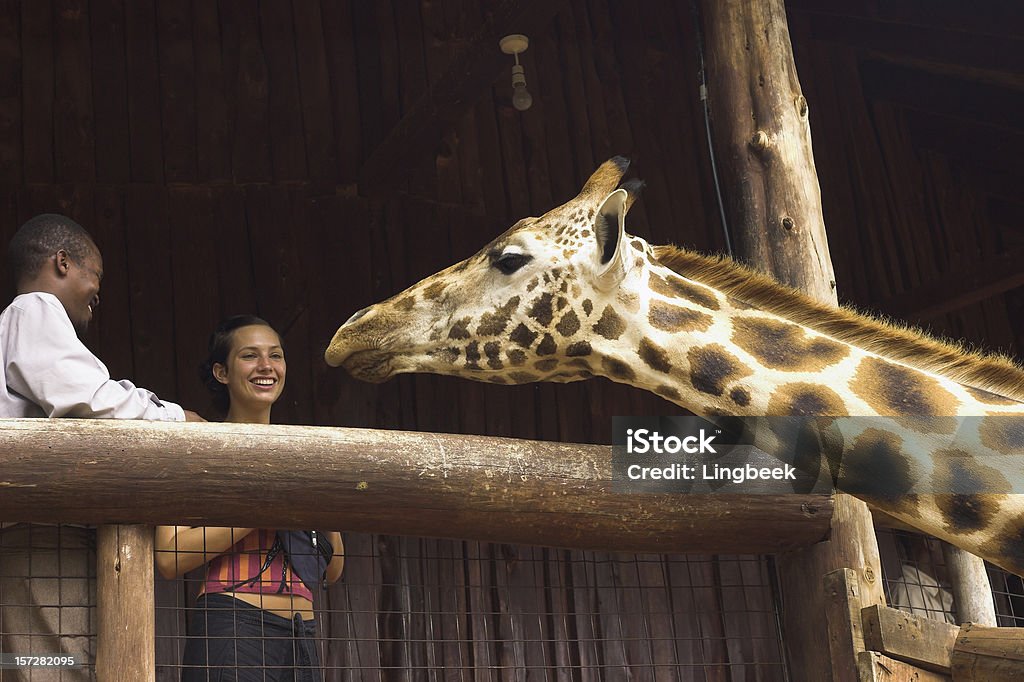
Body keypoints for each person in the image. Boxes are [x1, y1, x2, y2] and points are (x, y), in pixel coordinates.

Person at [0, 213, 204, 681]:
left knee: (39, 667)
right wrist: (177, 419)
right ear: (63, 261)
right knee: (63, 668)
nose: (98, 294)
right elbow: (86, 398)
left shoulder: (14, 326)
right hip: (44, 541)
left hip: (26, 542)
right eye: (97, 277)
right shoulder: (33, 309)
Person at [155, 316, 344, 682]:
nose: (266, 366)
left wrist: (317, 497)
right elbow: (168, 556)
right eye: (250, 356)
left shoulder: (305, 453)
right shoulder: (195, 444)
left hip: (302, 634)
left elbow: (332, 570)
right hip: (233, 624)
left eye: (276, 355)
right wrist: (265, 505)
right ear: (221, 372)